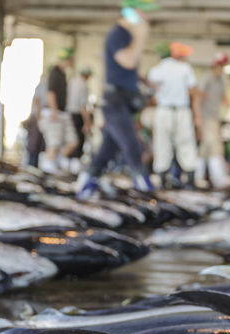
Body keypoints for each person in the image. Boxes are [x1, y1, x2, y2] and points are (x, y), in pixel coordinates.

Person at [76, 0, 159, 199]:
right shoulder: (118, 35)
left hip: (123, 102)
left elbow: (124, 69)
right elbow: (128, 61)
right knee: (132, 146)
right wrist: (140, 35)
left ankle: (85, 184)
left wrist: (145, 81)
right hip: (114, 102)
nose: (147, 18)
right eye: (143, 13)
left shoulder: (126, 36)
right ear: (131, 13)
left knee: (108, 148)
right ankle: (145, 188)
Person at [147, 41, 200, 189]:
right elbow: (193, 91)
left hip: (164, 111)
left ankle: (163, 183)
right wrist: (197, 116)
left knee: (162, 144)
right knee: (187, 144)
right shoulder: (185, 68)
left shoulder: (155, 70)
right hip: (182, 111)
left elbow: (151, 96)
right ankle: (190, 183)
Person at [39, 47, 78, 173]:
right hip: (53, 113)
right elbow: (50, 93)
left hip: (63, 113)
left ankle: (57, 160)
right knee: (53, 143)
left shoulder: (63, 73)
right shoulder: (54, 72)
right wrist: (54, 109)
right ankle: (48, 167)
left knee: (73, 141)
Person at [197, 52, 228, 187]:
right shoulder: (207, 78)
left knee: (205, 148)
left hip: (214, 118)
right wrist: (197, 117)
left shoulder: (221, 80)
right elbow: (198, 97)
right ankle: (219, 178)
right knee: (215, 146)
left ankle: (197, 176)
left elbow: (224, 98)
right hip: (206, 118)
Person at [66, 67, 93, 174]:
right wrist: (87, 122)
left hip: (68, 114)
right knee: (78, 139)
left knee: (70, 138)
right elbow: (83, 106)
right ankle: (75, 168)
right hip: (77, 115)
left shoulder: (71, 82)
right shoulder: (83, 85)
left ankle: (68, 164)